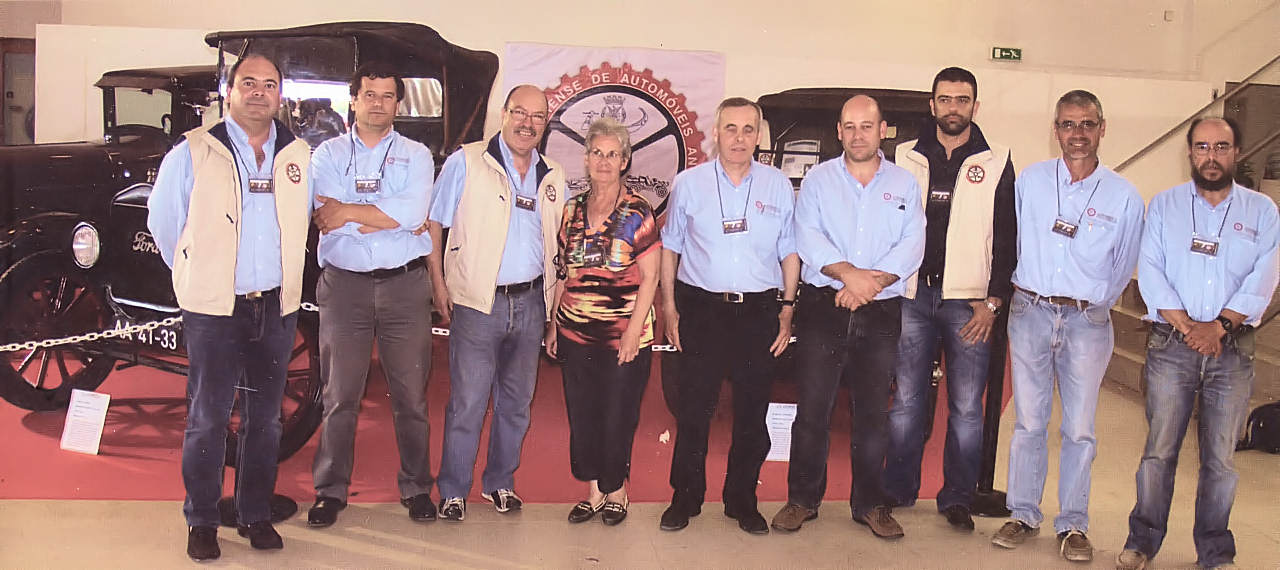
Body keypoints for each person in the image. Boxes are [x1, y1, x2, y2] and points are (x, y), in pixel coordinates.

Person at [147, 54, 312, 561]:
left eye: (269, 84)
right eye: (249, 83)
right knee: (208, 418)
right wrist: (197, 274)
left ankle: (254, 514)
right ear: (229, 90)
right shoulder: (194, 151)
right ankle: (201, 520)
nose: (259, 92)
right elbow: (165, 223)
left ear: (280, 93)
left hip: (276, 308)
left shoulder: (297, 154)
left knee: (266, 420)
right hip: (215, 310)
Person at [1116, 117, 1279, 570]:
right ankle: (1142, 542)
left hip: (1233, 350)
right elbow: (1151, 271)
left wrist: (1219, 327)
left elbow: (1264, 277)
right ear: (1190, 152)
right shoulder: (1164, 205)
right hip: (1172, 345)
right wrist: (1191, 328)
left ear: (1237, 152)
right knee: (1158, 452)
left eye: (1221, 147)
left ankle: (1215, 551)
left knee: (1220, 461)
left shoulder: (1262, 211)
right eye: (1203, 147)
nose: (1211, 156)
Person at [991, 90, 1144, 562]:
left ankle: (1073, 523)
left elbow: (1124, 263)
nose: (1077, 134)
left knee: (1079, 428)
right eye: (1068, 124)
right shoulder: (1031, 182)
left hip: (1087, 321)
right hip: (1031, 312)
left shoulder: (1123, 195)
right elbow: (1011, 240)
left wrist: (1093, 304)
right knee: (1029, 422)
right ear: (1055, 129)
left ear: (1102, 128)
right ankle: (1022, 514)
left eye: (1087, 124)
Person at [770, 94, 925, 539]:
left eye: (867, 126)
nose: (858, 134)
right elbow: (808, 235)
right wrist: (850, 276)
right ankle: (802, 500)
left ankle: (870, 505)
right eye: (850, 126)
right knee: (812, 410)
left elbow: (913, 242)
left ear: (883, 131)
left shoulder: (905, 184)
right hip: (824, 306)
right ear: (838, 131)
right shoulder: (818, 180)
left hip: (881, 310)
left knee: (873, 414)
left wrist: (868, 285)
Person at [658, 97, 799, 535]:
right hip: (701, 308)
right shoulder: (689, 183)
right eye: (731, 128)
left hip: (758, 311)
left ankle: (742, 501)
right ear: (715, 133)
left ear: (759, 136)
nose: (739, 138)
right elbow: (670, 247)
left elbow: (790, 250)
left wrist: (788, 308)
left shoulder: (778, 185)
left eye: (748, 129)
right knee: (694, 410)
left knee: (753, 413)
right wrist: (669, 306)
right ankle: (685, 498)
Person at [425, 85, 566, 521]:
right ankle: (453, 490)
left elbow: (558, 246)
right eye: (520, 112)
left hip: (531, 303)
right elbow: (434, 223)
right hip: (477, 304)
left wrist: (553, 312)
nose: (527, 123)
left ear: (546, 123)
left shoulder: (553, 175)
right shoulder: (467, 161)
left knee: (516, 404)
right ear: (503, 114)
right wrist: (438, 284)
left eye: (537, 116)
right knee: (468, 402)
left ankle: (500, 483)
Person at [305, 62, 437, 528]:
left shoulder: (417, 155)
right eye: (369, 94)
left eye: (387, 96)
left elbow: (414, 212)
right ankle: (329, 490)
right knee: (339, 394)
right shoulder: (327, 154)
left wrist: (351, 212)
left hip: (405, 286)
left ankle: (417, 487)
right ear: (354, 100)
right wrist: (387, 217)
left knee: (411, 397)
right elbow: (326, 216)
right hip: (345, 287)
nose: (378, 103)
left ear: (398, 104)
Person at [885, 66, 1016, 531]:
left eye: (962, 100)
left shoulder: (997, 160)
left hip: (969, 304)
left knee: (966, 407)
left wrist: (994, 301)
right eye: (945, 99)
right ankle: (897, 489)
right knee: (906, 401)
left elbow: (1007, 236)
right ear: (932, 104)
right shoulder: (903, 156)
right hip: (913, 297)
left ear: (975, 106)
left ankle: (958, 497)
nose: (953, 107)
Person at [544, 117, 661, 526]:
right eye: (597, 153)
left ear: (625, 161)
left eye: (613, 154)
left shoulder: (638, 210)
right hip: (575, 333)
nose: (604, 161)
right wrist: (553, 324)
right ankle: (593, 491)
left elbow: (651, 278)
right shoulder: (572, 210)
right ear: (586, 158)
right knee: (584, 415)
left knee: (617, 415)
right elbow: (564, 273)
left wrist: (632, 332)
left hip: (623, 337)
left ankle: (617, 490)